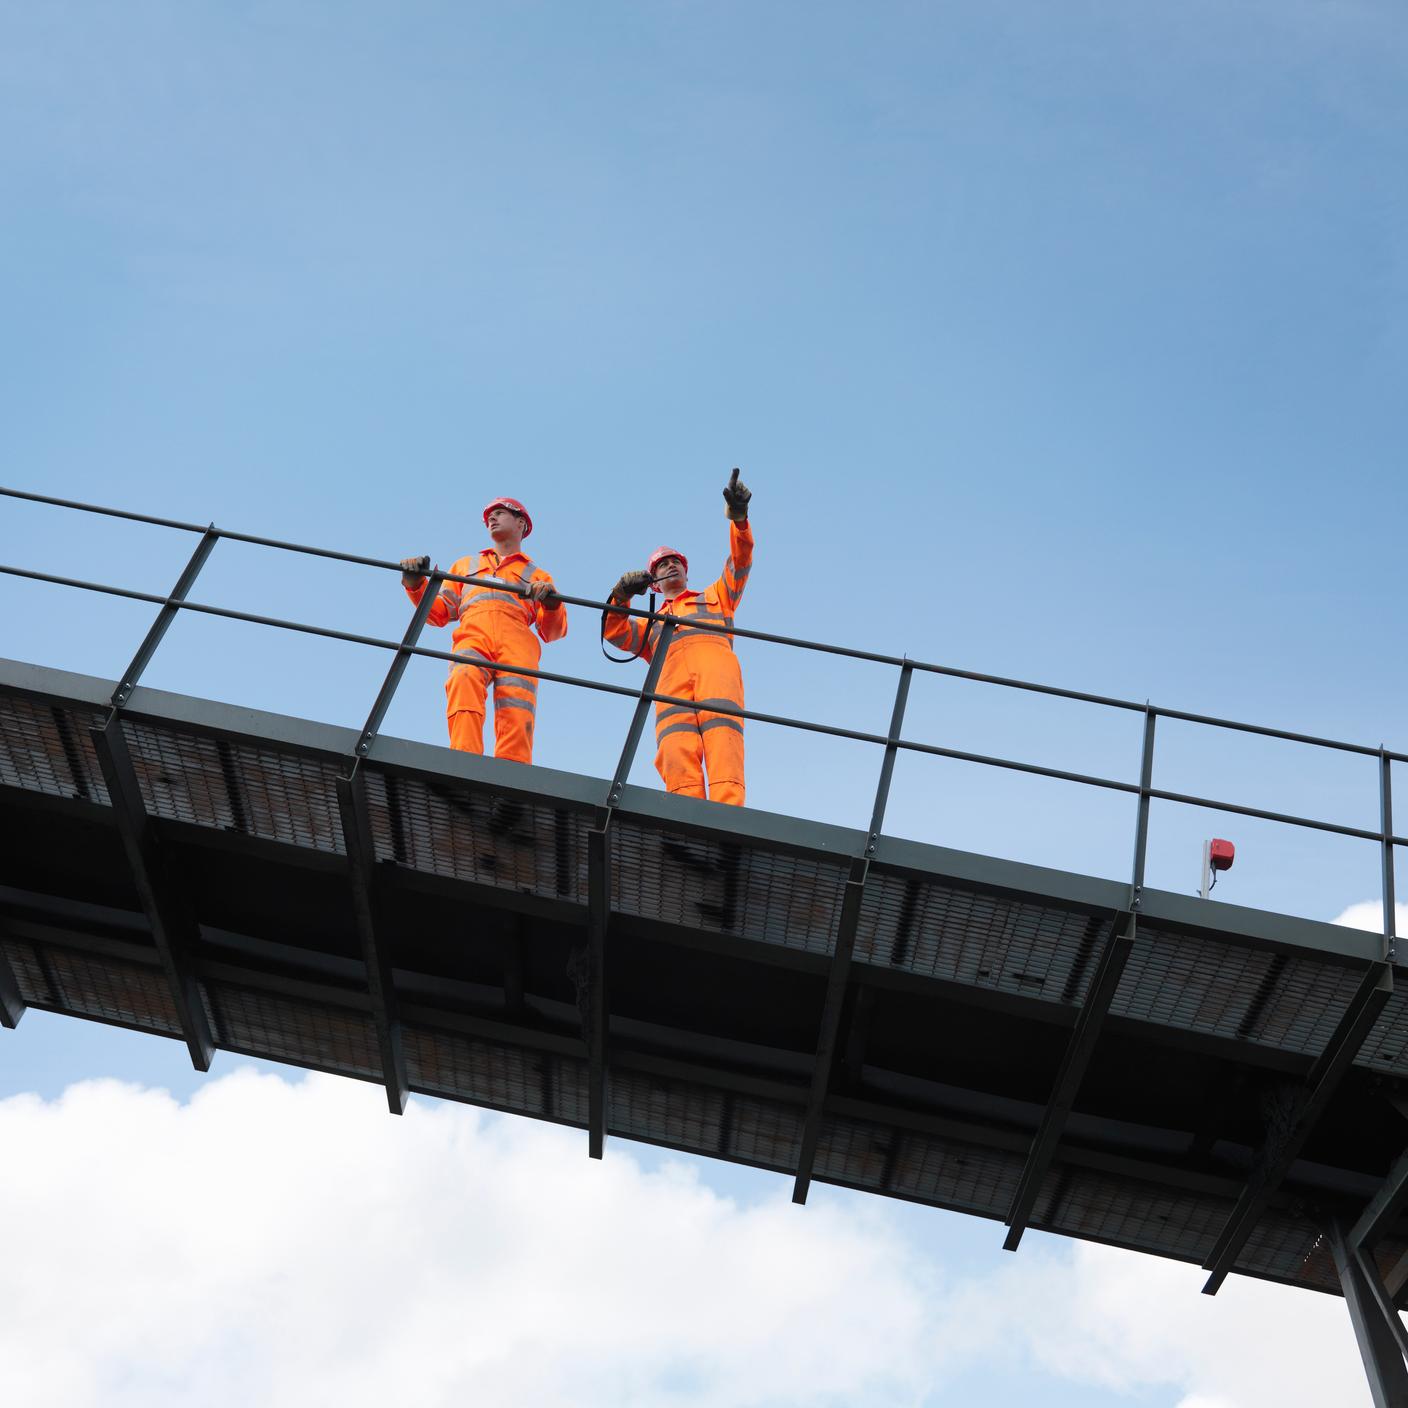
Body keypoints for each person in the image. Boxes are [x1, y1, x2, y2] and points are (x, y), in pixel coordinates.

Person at [604, 469, 752, 805]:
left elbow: (740, 561)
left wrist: (739, 520)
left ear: (686, 570)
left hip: (718, 681)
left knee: (723, 742)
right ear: (652, 582)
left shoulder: (717, 596)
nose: (671, 566)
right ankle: (685, 817)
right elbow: (614, 632)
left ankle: (728, 816)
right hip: (670, 690)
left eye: (676, 562)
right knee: (675, 748)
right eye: (662, 565)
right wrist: (620, 595)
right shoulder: (652, 624)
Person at [399, 497, 566, 763]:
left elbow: (552, 631)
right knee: (463, 678)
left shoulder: (538, 575)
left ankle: (513, 773)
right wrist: (416, 583)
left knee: (517, 705)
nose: (492, 518)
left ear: (521, 522)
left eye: (500, 513)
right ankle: (464, 761)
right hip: (473, 635)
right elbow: (438, 612)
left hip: (518, 644)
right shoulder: (466, 565)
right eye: (490, 516)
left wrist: (552, 602)